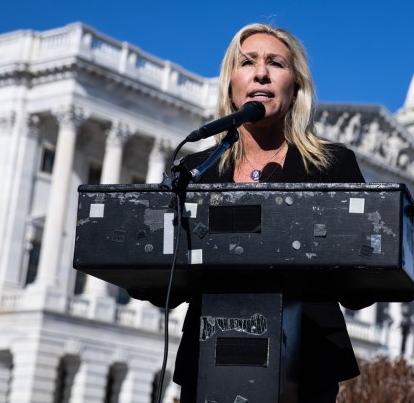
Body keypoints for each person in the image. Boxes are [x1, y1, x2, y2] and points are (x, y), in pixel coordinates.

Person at [155, 23, 368, 402]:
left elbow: (361, 281)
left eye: (276, 63)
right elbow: (162, 285)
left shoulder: (333, 165)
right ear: (231, 83)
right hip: (210, 359)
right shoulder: (196, 171)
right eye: (247, 62)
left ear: (296, 85)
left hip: (304, 364)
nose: (261, 72)